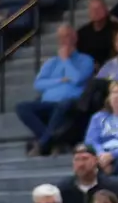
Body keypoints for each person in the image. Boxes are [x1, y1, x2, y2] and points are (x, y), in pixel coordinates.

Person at [16, 24, 95, 155]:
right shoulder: (51, 62)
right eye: (61, 37)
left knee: (64, 105)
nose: (64, 40)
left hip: (71, 102)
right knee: (21, 107)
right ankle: (53, 141)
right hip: (48, 103)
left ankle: (43, 144)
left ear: (75, 38)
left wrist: (65, 60)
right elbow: (38, 84)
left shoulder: (85, 60)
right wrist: (60, 80)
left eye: (67, 36)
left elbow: (77, 79)